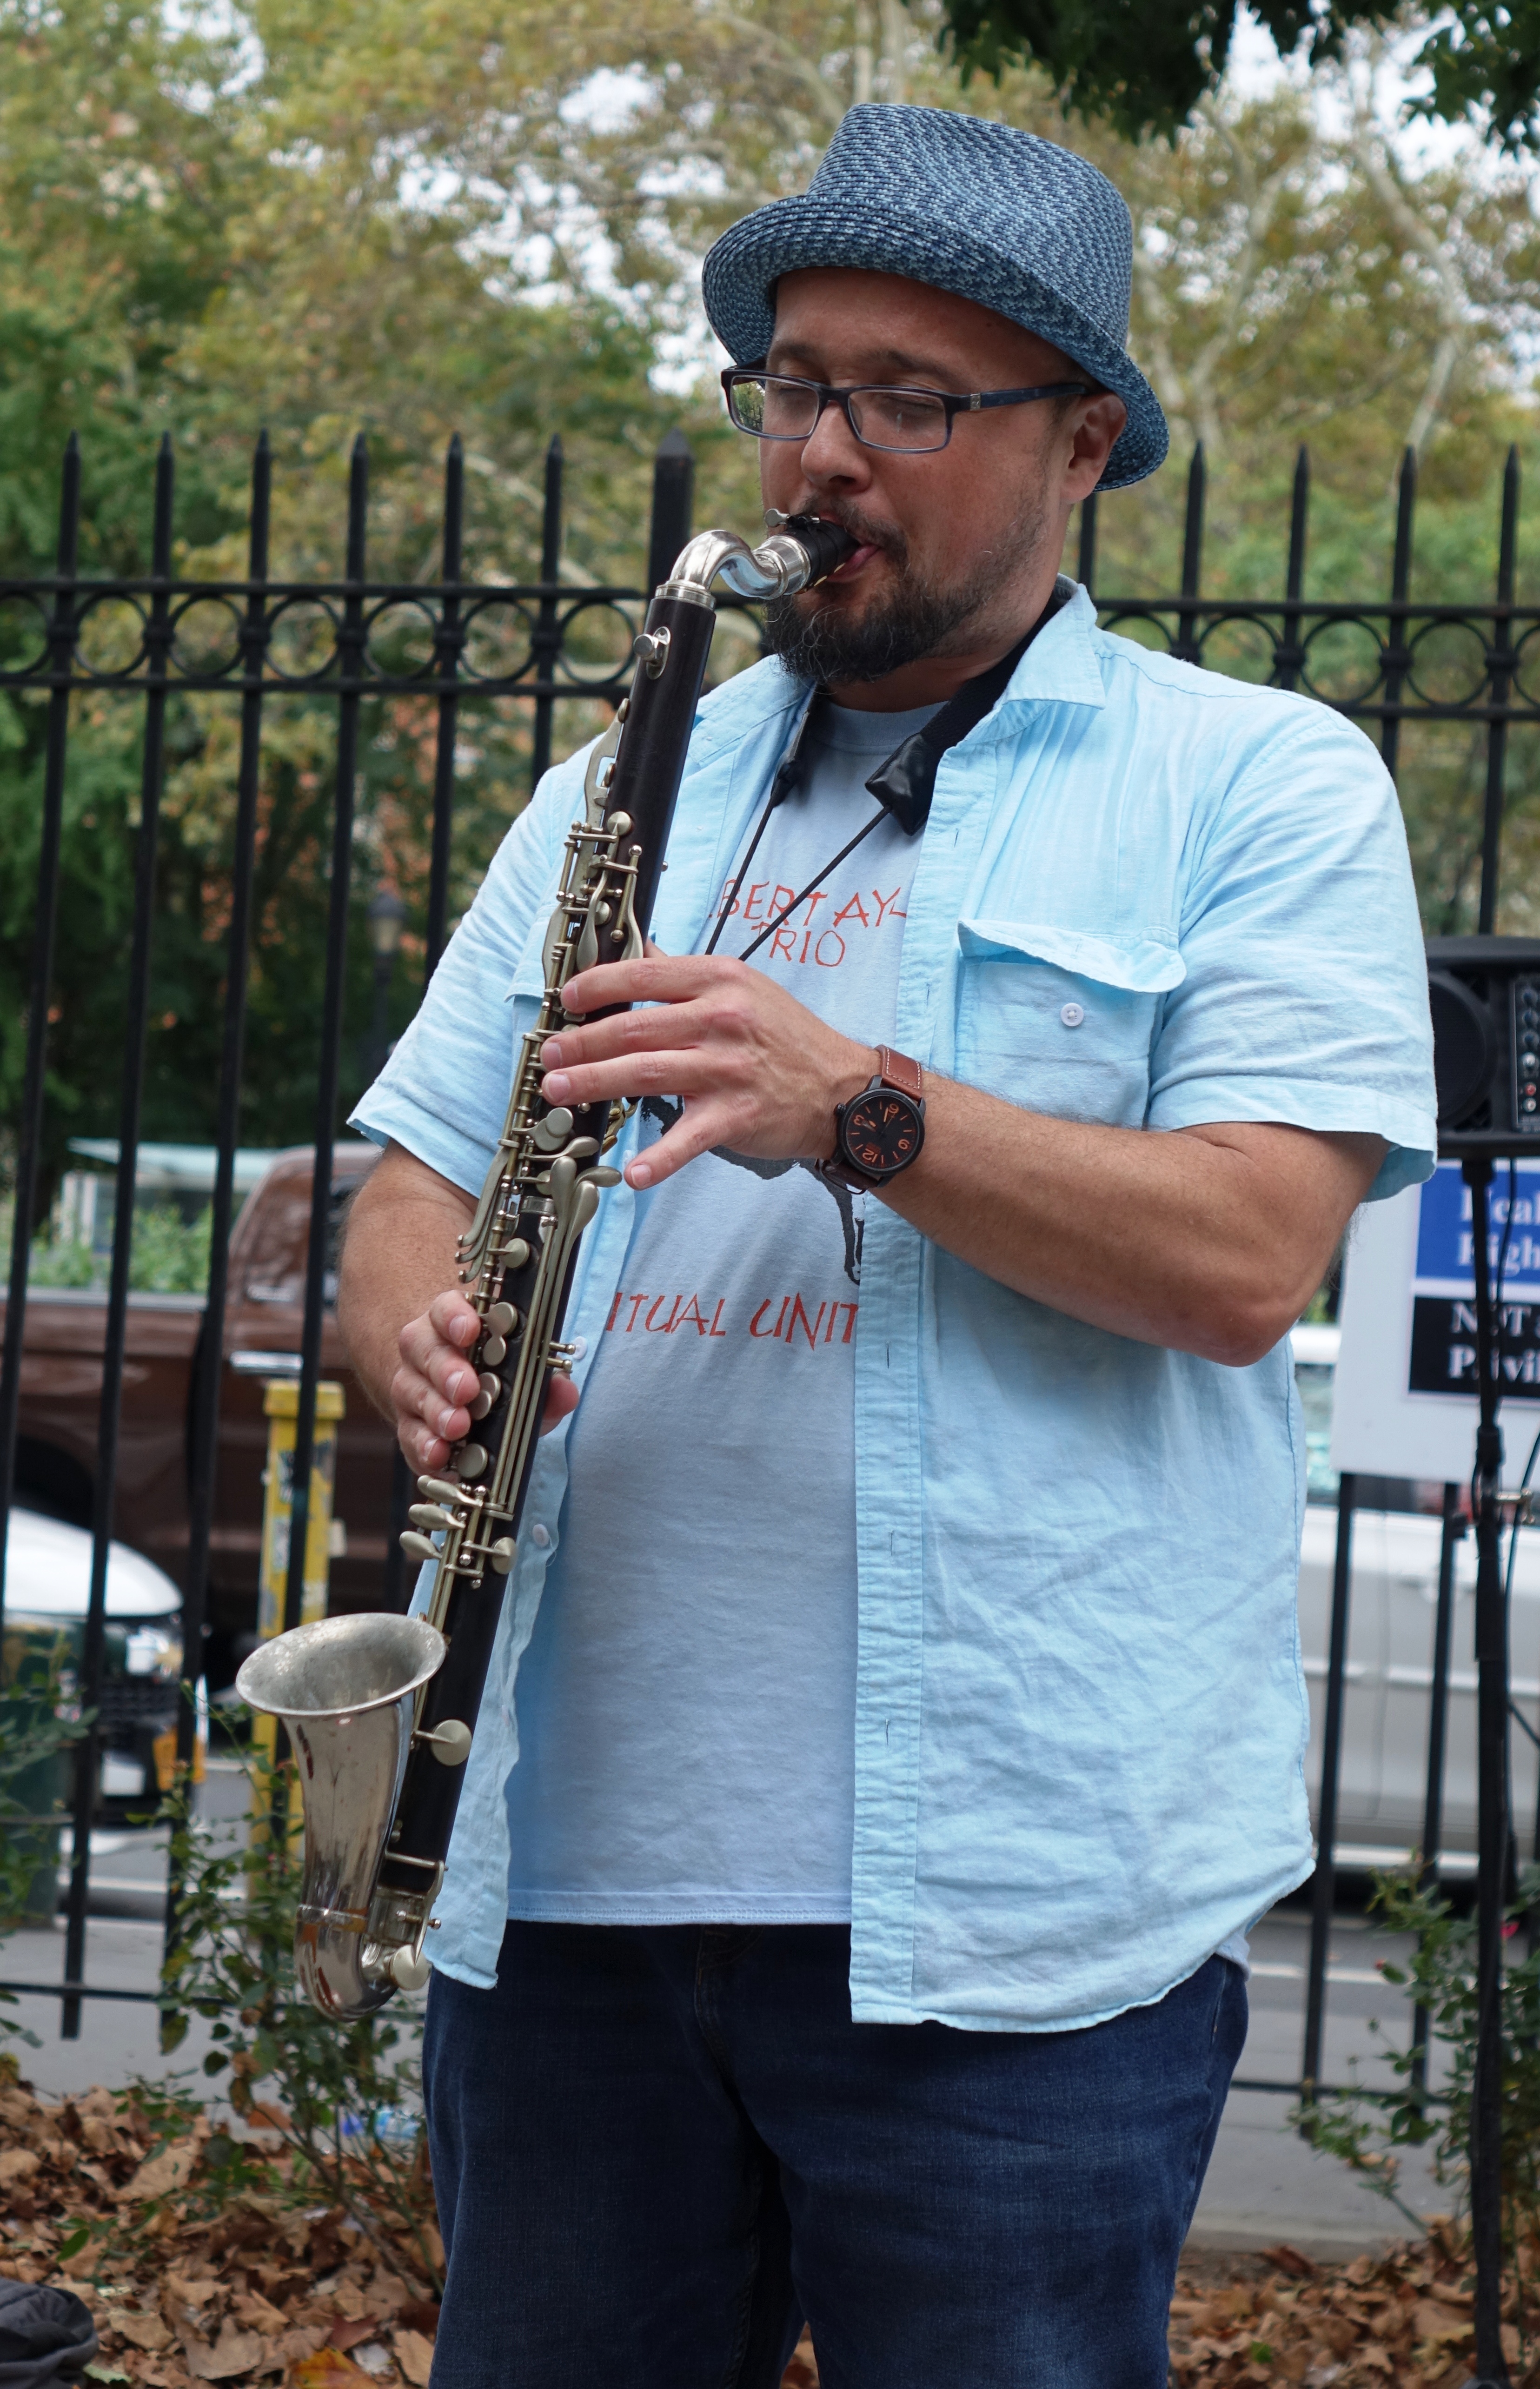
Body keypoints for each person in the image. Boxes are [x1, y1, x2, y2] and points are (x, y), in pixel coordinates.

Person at [341, 103, 1435, 2389]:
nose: (820, 457)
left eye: (910, 403)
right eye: (795, 387)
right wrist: (418, 1333)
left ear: (1085, 447)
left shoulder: (1258, 785)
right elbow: (419, 1175)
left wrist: (860, 1105)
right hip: (570, 1905)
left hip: (1014, 1924)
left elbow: (1247, 1252)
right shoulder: (621, 791)